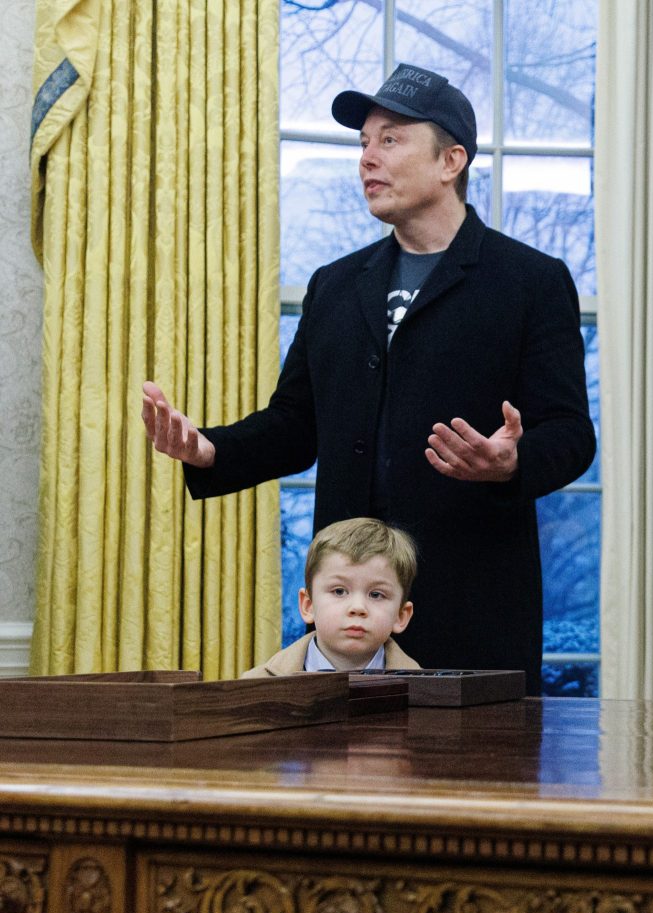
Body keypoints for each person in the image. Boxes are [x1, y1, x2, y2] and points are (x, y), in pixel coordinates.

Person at [141, 64, 595, 692]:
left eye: (390, 139)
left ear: (451, 161)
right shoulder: (335, 284)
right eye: (362, 143)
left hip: (472, 607)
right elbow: (297, 424)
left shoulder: (531, 282)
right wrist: (212, 449)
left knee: (471, 786)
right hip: (347, 622)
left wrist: (511, 462)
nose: (367, 159)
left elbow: (571, 434)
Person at [242, 517, 422, 677]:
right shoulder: (252, 686)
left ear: (401, 615)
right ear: (308, 605)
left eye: (376, 594)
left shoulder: (428, 694)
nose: (358, 607)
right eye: (339, 591)